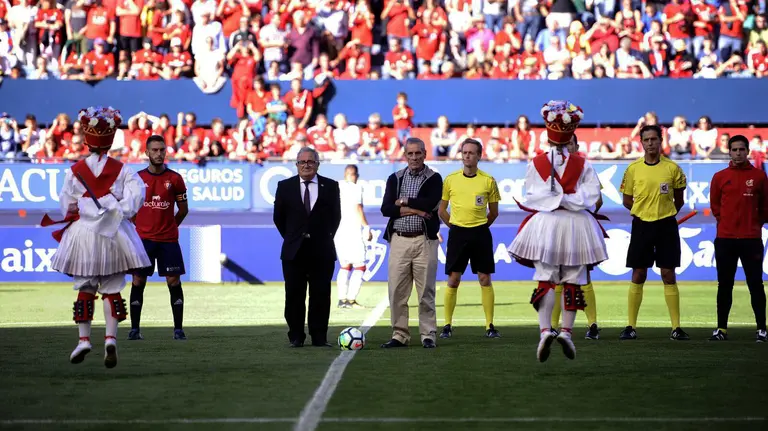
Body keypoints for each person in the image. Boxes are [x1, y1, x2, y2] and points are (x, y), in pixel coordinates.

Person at [41, 106, 150, 368]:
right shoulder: (123, 170)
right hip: (114, 234)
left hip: (84, 234)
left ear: (88, 141)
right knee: (112, 287)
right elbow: (137, 197)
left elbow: (66, 205)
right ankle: (110, 338)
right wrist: (117, 211)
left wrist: (84, 208)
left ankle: (84, 340)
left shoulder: (75, 170)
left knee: (86, 287)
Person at [508, 101, 607, 362]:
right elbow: (592, 195)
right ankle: (566, 331)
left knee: (546, 277)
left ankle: (544, 331)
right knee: (573, 279)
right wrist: (569, 199)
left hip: (548, 223)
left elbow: (532, 195)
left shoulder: (537, 163)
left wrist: (556, 199)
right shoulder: (584, 164)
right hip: (576, 223)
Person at [619, 124, 690, 341]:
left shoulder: (673, 169)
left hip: (666, 225)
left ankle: (676, 328)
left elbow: (679, 200)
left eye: (654, 139)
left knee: (668, 274)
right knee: (638, 273)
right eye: (646, 140)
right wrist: (643, 213)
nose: (650, 143)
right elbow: (626, 199)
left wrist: (665, 215)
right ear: (641, 143)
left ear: (661, 141)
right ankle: (631, 326)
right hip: (641, 225)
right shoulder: (633, 169)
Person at [273, 147, 341, 348]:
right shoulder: (284, 186)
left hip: (322, 250)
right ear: (296, 165)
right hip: (294, 252)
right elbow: (279, 218)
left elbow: (335, 217)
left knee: (321, 295)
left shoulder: (330, 186)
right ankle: (296, 336)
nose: (306, 165)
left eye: (310, 161)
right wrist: (294, 238)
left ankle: (319, 337)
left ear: (317, 164)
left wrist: (322, 238)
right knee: (294, 295)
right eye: (302, 162)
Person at [379, 138, 443, 348]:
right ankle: (400, 335)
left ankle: (428, 334)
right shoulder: (394, 178)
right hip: (399, 240)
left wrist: (404, 202)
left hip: (424, 240)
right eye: (410, 154)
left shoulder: (434, 178)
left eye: (418, 153)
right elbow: (386, 208)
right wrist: (416, 210)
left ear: (425, 154)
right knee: (397, 290)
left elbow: (431, 203)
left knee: (426, 291)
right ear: (405, 155)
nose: (414, 158)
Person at [438, 137, 502, 339]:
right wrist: (455, 227)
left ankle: (489, 325)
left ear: (479, 156)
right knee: (453, 279)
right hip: (457, 233)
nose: (467, 156)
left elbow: (493, 212)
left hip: (481, 233)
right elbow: (441, 210)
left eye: (471, 152)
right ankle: (447, 325)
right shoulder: (450, 179)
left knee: (484, 278)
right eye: (464, 152)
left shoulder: (488, 180)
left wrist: (479, 227)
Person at [128, 135, 190, 341]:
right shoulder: (136, 179)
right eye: (154, 150)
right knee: (138, 281)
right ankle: (135, 330)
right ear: (146, 152)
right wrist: (141, 227)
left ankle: (178, 329)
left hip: (168, 240)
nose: (158, 153)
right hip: (143, 240)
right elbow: (129, 210)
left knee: (174, 281)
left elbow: (183, 210)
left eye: (162, 150)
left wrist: (170, 226)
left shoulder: (175, 179)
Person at [709, 135, 768, 342]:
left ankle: (762, 329)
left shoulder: (760, 176)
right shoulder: (719, 177)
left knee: (756, 284)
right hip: (725, 239)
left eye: (741, 150)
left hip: (751, 239)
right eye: (734, 150)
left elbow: (765, 208)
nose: (738, 153)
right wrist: (725, 222)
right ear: (729, 152)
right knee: (724, 284)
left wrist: (754, 225)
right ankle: (721, 329)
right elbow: (716, 206)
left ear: (748, 151)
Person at [551, 133, 603, 340]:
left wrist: (585, 210)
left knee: (583, 276)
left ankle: (592, 325)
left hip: (579, 227)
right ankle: (554, 326)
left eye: (570, 144)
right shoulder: (553, 168)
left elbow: (598, 199)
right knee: (557, 276)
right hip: (558, 227)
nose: (566, 148)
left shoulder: (585, 167)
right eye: (563, 145)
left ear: (576, 145)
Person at [334, 164, 372, 309]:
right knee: (360, 265)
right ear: (354, 174)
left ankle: (342, 299)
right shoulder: (356, 188)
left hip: (338, 231)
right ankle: (350, 300)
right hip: (353, 231)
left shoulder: (337, 186)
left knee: (345, 265)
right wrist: (367, 227)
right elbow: (358, 208)